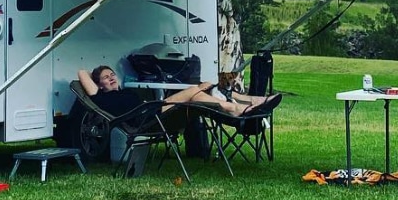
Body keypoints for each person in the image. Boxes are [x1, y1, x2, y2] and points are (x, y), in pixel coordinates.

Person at [76, 65, 281, 119]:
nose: (111, 77)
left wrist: (104, 75)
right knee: (196, 89)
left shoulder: (124, 91)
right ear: (99, 85)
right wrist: (96, 77)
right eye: (105, 77)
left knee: (200, 92)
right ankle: (245, 104)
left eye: (112, 74)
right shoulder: (101, 97)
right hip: (146, 119)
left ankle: (237, 106)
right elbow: (81, 73)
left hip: (153, 110)